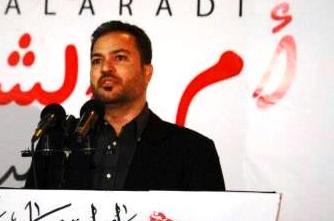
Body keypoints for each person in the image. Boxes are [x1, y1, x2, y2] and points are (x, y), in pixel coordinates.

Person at [25, 20, 225, 191]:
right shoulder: (56, 142)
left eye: (119, 58)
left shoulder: (193, 151)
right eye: (97, 60)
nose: (105, 68)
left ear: (147, 72)